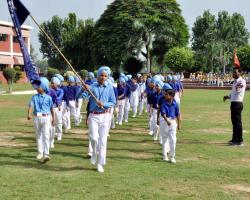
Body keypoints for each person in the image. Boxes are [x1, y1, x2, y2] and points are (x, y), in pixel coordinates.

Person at [88, 66, 116, 173]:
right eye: (101, 75)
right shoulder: (91, 87)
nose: (103, 77)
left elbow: (113, 102)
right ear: (98, 75)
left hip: (105, 116)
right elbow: (79, 96)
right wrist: (82, 89)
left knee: (103, 141)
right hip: (94, 116)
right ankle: (94, 153)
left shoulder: (109, 88)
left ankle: (100, 163)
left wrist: (104, 104)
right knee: (94, 138)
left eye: (105, 76)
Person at [27, 79, 55, 163]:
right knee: (38, 135)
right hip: (37, 117)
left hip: (46, 118)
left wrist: (54, 119)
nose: (36, 88)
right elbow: (31, 106)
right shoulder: (34, 97)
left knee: (46, 135)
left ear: (43, 87)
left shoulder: (49, 98)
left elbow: (52, 109)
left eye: (38, 86)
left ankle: (46, 154)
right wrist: (29, 114)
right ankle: (40, 152)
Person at [223, 67, 246, 146]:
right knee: (234, 122)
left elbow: (238, 90)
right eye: (233, 72)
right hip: (233, 103)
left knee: (237, 123)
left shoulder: (241, 81)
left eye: (235, 72)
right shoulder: (235, 81)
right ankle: (234, 139)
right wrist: (228, 97)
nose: (233, 74)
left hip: (238, 104)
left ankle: (240, 140)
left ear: (240, 73)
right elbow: (233, 93)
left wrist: (235, 83)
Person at [161, 89, 181, 164]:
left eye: (166, 94)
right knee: (165, 139)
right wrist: (167, 121)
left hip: (172, 122)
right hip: (165, 122)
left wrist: (179, 124)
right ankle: (165, 155)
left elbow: (178, 114)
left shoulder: (175, 104)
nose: (165, 96)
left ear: (171, 96)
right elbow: (163, 114)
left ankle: (172, 157)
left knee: (173, 140)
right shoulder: (164, 103)